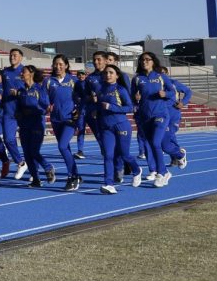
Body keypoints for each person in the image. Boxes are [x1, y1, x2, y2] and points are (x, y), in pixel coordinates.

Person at [97, 64, 143, 194]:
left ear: (117, 75)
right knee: (108, 155)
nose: (108, 75)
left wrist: (111, 107)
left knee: (124, 154)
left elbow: (129, 108)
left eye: (111, 73)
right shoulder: (100, 90)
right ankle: (109, 184)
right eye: (106, 73)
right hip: (106, 127)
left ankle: (136, 170)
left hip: (121, 125)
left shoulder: (120, 89)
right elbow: (99, 107)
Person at [132, 52, 175, 187]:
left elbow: (173, 92)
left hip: (160, 115)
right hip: (145, 116)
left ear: (153, 61)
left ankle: (161, 173)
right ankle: (165, 172)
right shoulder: (137, 79)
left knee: (156, 143)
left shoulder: (161, 76)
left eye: (147, 59)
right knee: (151, 144)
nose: (144, 62)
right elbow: (131, 97)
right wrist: (135, 100)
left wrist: (165, 94)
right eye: (142, 60)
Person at [45, 55, 81, 191]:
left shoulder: (73, 80)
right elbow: (43, 98)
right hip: (56, 120)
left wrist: (78, 111)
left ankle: (72, 176)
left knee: (62, 146)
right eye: (56, 64)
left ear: (66, 65)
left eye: (61, 64)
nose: (58, 67)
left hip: (70, 120)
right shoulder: (48, 81)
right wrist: (46, 106)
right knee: (66, 149)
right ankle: (76, 174)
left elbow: (81, 98)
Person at [16, 65, 51, 187]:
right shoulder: (20, 91)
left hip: (36, 125)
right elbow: (18, 107)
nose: (21, 74)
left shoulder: (39, 89)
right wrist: (18, 114)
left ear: (31, 74)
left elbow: (46, 108)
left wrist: (33, 111)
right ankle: (36, 179)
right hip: (24, 126)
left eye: (23, 72)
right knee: (27, 153)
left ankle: (48, 167)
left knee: (34, 151)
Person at [1, 49, 30, 180]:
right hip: (8, 111)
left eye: (15, 55)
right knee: (8, 139)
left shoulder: (26, 71)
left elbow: (33, 88)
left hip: (24, 111)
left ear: (21, 58)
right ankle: (21, 163)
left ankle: (35, 171)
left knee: (28, 143)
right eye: (10, 55)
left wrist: (19, 93)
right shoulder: (5, 72)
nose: (12, 57)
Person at [160, 65, 190, 174]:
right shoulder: (155, 85)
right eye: (159, 73)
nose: (161, 75)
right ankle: (176, 156)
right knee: (168, 138)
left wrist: (183, 102)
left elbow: (188, 91)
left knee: (167, 138)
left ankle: (179, 155)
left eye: (163, 73)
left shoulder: (174, 83)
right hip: (160, 116)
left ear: (167, 74)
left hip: (173, 115)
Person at [73, 70, 89, 159]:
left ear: (85, 75)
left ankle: (104, 149)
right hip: (81, 110)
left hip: (90, 110)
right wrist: (77, 99)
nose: (81, 76)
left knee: (98, 131)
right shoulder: (77, 84)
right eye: (79, 74)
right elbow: (74, 95)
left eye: (82, 74)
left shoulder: (89, 83)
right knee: (81, 130)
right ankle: (80, 150)